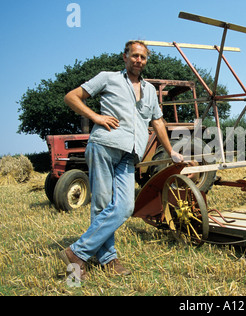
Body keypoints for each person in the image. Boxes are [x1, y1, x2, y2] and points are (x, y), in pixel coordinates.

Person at [58, 40, 183, 280]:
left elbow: (157, 122)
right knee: (102, 207)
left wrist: (170, 152)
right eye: (134, 55)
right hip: (104, 146)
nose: (138, 60)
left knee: (125, 207)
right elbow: (71, 97)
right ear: (124, 57)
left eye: (143, 57)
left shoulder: (149, 91)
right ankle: (107, 259)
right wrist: (96, 116)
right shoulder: (107, 77)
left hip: (129, 154)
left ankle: (76, 253)